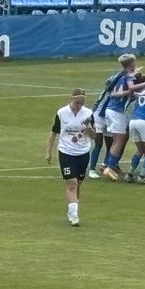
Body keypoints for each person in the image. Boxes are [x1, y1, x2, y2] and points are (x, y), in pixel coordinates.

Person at [45, 88, 95, 227]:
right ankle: (74, 215)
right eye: (77, 102)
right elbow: (54, 132)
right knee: (71, 183)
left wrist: (89, 126)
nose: (79, 105)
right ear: (71, 99)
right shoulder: (62, 113)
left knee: (78, 183)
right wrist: (48, 151)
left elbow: (93, 136)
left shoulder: (89, 113)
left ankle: (72, 208)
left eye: (82, 103)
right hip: (66, 152)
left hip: (83, 152)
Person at [92, 53, 139, 181]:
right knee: (119, 140)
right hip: (116, 111)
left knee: (118, 139)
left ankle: (109, 165)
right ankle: (109, 167)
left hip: (112, 110)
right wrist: (133, 91)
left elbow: (114, 91)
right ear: (131, 64)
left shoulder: (119, 75)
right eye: (135, 62)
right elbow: (120, 92)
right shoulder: (127, 77)